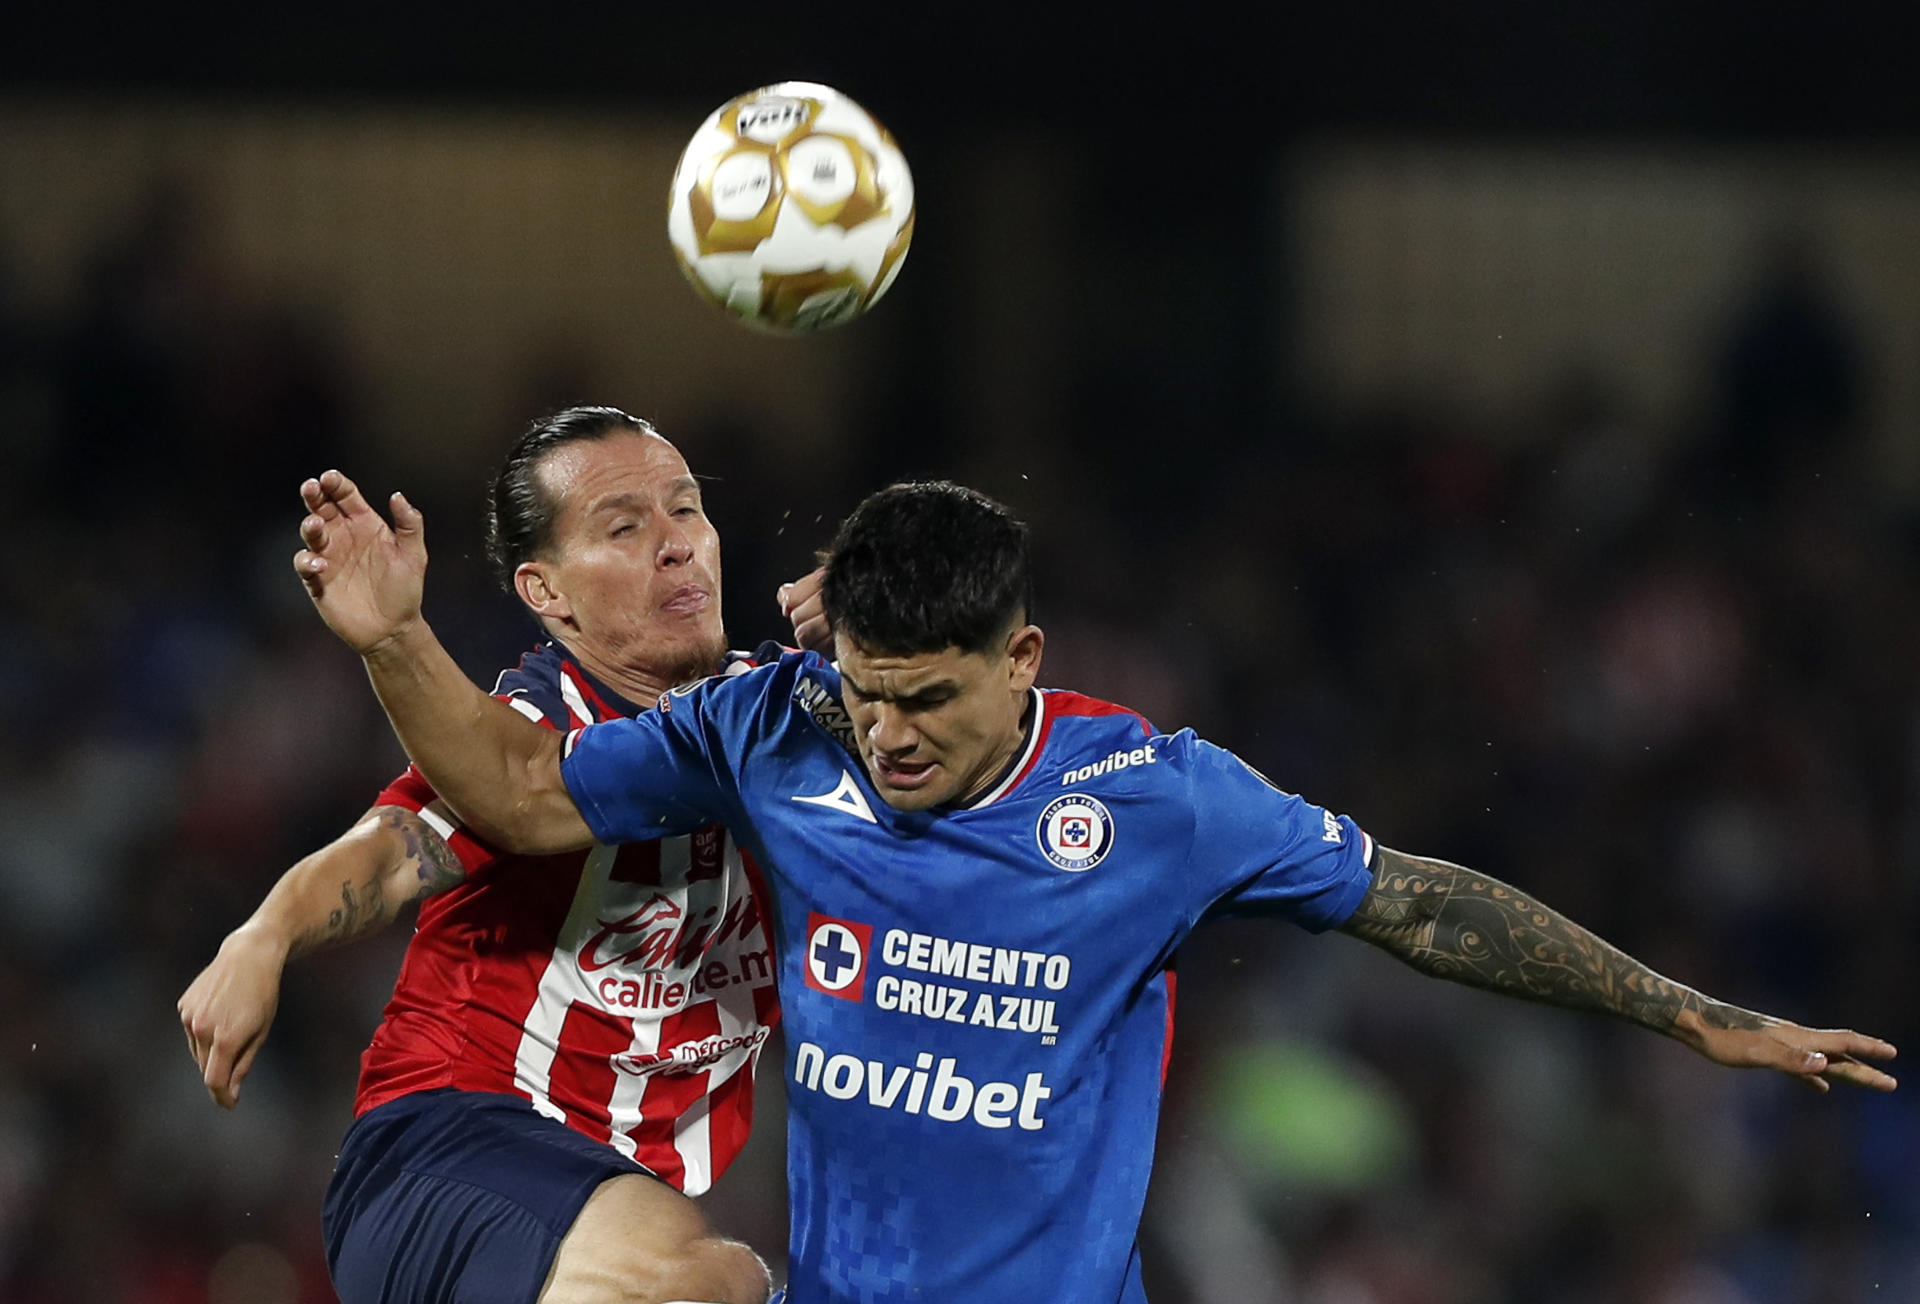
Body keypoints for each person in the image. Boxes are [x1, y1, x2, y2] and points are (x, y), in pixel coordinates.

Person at [292, 471, 1898, 1303]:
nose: (892, 738)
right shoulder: (773, 731)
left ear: (1026, 663)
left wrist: (1688, 1014)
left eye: (932, 699)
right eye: (868, 694)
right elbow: (506, 793)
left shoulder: (1157, 801)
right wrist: (389, 637)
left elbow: (1414, 900)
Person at [179, 407, 816, 1304]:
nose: (675, 546)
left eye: (685, 509)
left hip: (612, 1204)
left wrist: (879, 642)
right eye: (625, 527)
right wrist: (267, 933)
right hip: (453, 1153)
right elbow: (392, 853)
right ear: (545, 591)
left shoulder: (783, 716)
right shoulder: (532, 728)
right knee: (710, 1285)